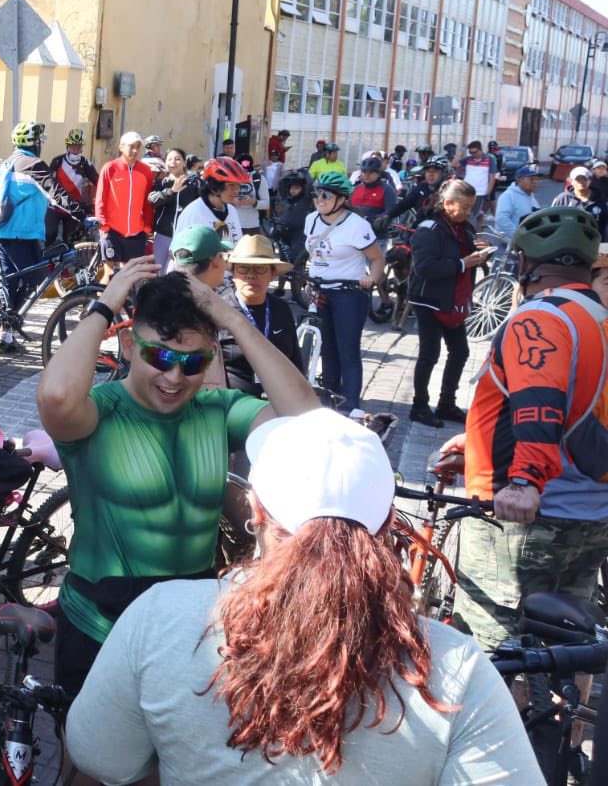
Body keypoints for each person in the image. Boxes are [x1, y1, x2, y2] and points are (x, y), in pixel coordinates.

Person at [66, 408, 540, 785]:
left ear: (255, 507)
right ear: (385, 520)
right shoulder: (456, 666)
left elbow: (102, 758)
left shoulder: (159, 615)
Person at [36, 264, 316, 695]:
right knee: (89, 760)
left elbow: (306, 420)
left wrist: (233, 320)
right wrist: (105, 305)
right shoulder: (99, 412)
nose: (174, 378)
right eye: (161, 357)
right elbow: (55, 395)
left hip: (190, 626)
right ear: (129, 346)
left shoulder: (217, 410)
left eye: (193, 363)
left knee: (173, 761)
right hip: (100, 621)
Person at [439, 205, 608, 653]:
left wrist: (523, 481)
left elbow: (540, 401)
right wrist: (480, 442)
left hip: (528, 519)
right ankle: (555, 722)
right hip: (592, 512)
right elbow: (578, 399)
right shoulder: (599, 317)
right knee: (563, 649)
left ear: (526, 264)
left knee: (489, 648)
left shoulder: (539, 317)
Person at [406, 180, 491, 429]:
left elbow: (467, 256)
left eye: (471, 207)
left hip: (453, 299)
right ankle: (419, 406)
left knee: (460, 352)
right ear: (447, 204)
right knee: (429, 354)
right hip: (429, 300)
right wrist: (463, 263)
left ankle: (446, 403)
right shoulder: (428, 229)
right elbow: (424, 268)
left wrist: (483, 253)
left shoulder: (464, 228)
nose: (468, 212)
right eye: (464, 207)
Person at [305, 172, 385, 416]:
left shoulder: (356, 225)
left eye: (326, 194)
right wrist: (310, 279)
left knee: (347, 349)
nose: (320, 199)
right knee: (326, 348)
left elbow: (377, 259)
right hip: (321, 291)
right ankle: (330, 398)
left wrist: (371, 278)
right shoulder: (311, 220)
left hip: (349, 294)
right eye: (316, 194)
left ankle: (350, 405)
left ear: (341, 199)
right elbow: (315, 255)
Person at [0, 122, 65, 350]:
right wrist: (80, 211)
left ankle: (6, 336)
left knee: (10, 281)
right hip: (20, 233)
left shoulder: (7, 163)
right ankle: (8, 320)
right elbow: (56, 193)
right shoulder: (33, 163)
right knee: (35, 278)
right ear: (36, 143)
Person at [220, 234, 303, 396]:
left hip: (279, 399)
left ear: (273, 273)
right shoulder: (220, 311)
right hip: (232, 403)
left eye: (260, 268)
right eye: (243, 268)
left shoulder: (281, 309)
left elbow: (295, 363)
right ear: (233, 274)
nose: (251, 275)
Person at [94, 131, 156, 268]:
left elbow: (147, 202)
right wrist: (104, 225)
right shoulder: (110, 168)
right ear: (121, 147)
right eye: (131, 146)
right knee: (109, 275)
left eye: (137, 147)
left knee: (130, 275)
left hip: (136, 232)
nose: (135, 150)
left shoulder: (146, 171)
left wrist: (147, 226)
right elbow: (100, 200)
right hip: (112, 230)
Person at [171, 156, 248, 247]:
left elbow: (236, 246)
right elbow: (176, 252)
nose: (236, 190)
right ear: (214, 186)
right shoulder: (193, 212)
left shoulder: (232, 211)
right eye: (231, 185)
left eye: (238, 185)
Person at [146, 148, 198, 269]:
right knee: (159, 272)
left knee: (179, 273)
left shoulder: (194, 184)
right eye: (169, 159)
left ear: (185, 163)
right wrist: (172, 191)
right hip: (163, 236)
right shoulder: (161, 183)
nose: (173, 162)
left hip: (185, 238)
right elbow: (152, 201)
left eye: (177, 159)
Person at [388, 156, 448, 224]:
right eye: (428, 171)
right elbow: (404, 204)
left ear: (444, 173)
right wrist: (388, 215)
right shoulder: (422, 186)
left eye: (435, 171)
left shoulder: (449, 190)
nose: (430, 174)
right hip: (421, 226)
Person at [553, 165, 607, 238]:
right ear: (571, 181)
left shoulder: (599, 198)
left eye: (584, 179)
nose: (581, 182)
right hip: (568, 240)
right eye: (577, 179)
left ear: (590, 180)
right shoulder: (562, 199)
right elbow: (553, 221)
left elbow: (604, 223)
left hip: (593, 241)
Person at [349, 156, 398, 231]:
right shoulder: (355, 189)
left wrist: (375, 219)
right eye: (364, 172)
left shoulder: (387, 190)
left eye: (371, 172)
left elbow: (390, 213)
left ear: (378, 173)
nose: (367, 175)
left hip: (376, 235)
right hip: (354, 233)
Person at [55, 130, 99, 211]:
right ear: (68, 147)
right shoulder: (58, 161)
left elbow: (98, 181)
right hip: (57, 206)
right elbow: (50, 182)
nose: (75, 151)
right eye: (73, 147)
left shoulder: (85, 163)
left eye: (78, 147)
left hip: (74, 207)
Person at [494, 163, 542, 237]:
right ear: (519, 180)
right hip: (509, 242)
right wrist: (518, 235)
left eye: (536, 179)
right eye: (531, 179)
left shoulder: (530, 196)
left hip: (528, 238)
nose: (535, 182)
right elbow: (501, 219)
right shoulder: (508, 196)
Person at [458, 139, 495, 218]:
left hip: (480, 193)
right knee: (464, 214)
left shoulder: (489, 159)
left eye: (475, 152)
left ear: (481, 150)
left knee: (475, 216)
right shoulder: (468, 159)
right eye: (471, 153)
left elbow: (492, 178)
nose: (473, 154)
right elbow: (453, 164)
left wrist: (487, 193)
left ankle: (473, 230)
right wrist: (462, 151)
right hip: (466, 191)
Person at [233, 154, 266, 236]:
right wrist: (232, 201)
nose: (245, 174)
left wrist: (253, 202)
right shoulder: (231, 179)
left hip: (252, 226)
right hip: (233, 225)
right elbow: (221, 200)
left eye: (248, 171)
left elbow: (267, 204)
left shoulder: (259, 179)